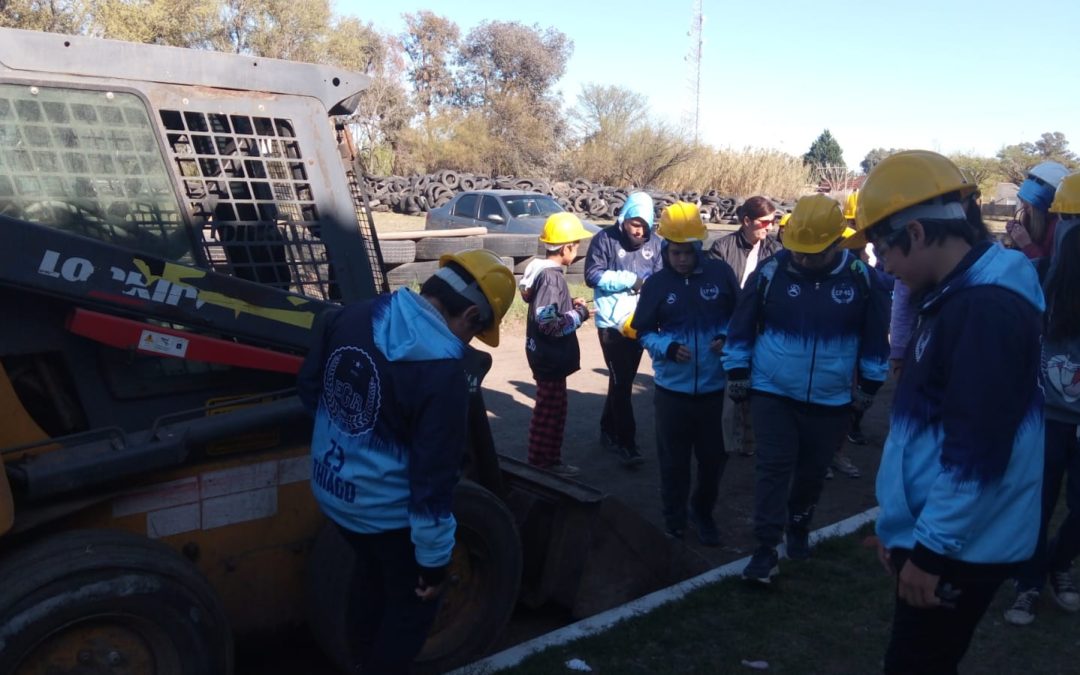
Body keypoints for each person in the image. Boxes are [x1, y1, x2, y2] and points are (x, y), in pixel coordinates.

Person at [853, 151, 1045, 674]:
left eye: (881, 249)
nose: (883, 266)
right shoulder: (955, 293)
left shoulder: (985, 309)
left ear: (915, 233)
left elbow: (976, 450)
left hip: (957, 549)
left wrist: (931, 552)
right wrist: (902, 528)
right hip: (941, 537)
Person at [297, 249, 514, 674]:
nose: (467, 344)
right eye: (476, 332)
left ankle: (358, 661)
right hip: (386, 517)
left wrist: (347, 441)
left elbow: (310, 388)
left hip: (333, 493)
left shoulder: (354, 315)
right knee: (410, 611)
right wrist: (434, 564)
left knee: (372, 581)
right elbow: (433, 480)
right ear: (471, 314)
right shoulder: (443, 372)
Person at [723, 194, 889, 584]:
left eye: (813, 253)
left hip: (831, 399)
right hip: (773, 392)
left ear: (836, 243)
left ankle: (798, 526)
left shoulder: (863, 278)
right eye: (797, 250)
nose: (802, 258)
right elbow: (741, 325)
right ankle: (764, 550)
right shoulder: (769, 272)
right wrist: (737, 372)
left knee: (812, 473)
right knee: (772, 468)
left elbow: (875, 339)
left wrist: (869, 384)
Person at [631, 202, 740, 545]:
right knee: (673, 463)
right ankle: (674, 520)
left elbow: (738, 320)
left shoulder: (721, 276)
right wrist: (666, 347)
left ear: (699, 247)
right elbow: (643, 331)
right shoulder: (657, 284)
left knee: (712, 461)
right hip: (670, 393)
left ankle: (702, 513)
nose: (681, 259)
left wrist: (725, 337)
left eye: (687, 252)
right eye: (674, 252)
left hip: (711, 391)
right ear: (665, 248)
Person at [1004, 172, 1080, 625]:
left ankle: (1059, 564)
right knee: (1038, 499)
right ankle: (1029, 583)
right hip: (1047, 414)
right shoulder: (1035, 276)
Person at [585, 191, 663, 466]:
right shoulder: (604, 239)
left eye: (645, 225)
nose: (639, 230)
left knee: (622, 378)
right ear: (625, 218)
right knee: (622, 382)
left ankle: (607, 429)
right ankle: (626, 442)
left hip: (639, 322)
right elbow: (592, 275)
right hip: (611, 324)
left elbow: (661, 276)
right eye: (634, 224)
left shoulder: (656, 243)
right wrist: (631, 280)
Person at [520, 212, 594, 477]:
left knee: (554, 409)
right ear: (566, 248)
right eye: (576, 246)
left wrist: (569, 304)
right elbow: (549, 324)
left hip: (544, 355)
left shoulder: (539, 271)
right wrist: (580, 315)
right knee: (549, 413)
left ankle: (548, 459)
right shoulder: (552, 278)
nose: (577, 250)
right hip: (549, 357)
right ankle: (542, 463)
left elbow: (548, 308)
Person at [710, 196, 782, 458]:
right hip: (729, 326)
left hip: (761, 328)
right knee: (731, 388)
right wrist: (725, 331)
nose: (770, 227)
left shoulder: (775, 250)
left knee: (761, 386)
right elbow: (715, 296)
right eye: (765, 222)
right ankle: (730, 444)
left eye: (773, 221)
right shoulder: (721, 247)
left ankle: (755, 442)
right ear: (747, 221)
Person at [1006, 161, 1069, 263]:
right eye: (1022, 201)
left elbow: (1050, 270)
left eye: (1029, 204)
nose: (1024, 207)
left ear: (1049, 201)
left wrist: (1026, 245)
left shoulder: (1058, 228)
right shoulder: (1031, 219)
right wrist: (1016, 238)